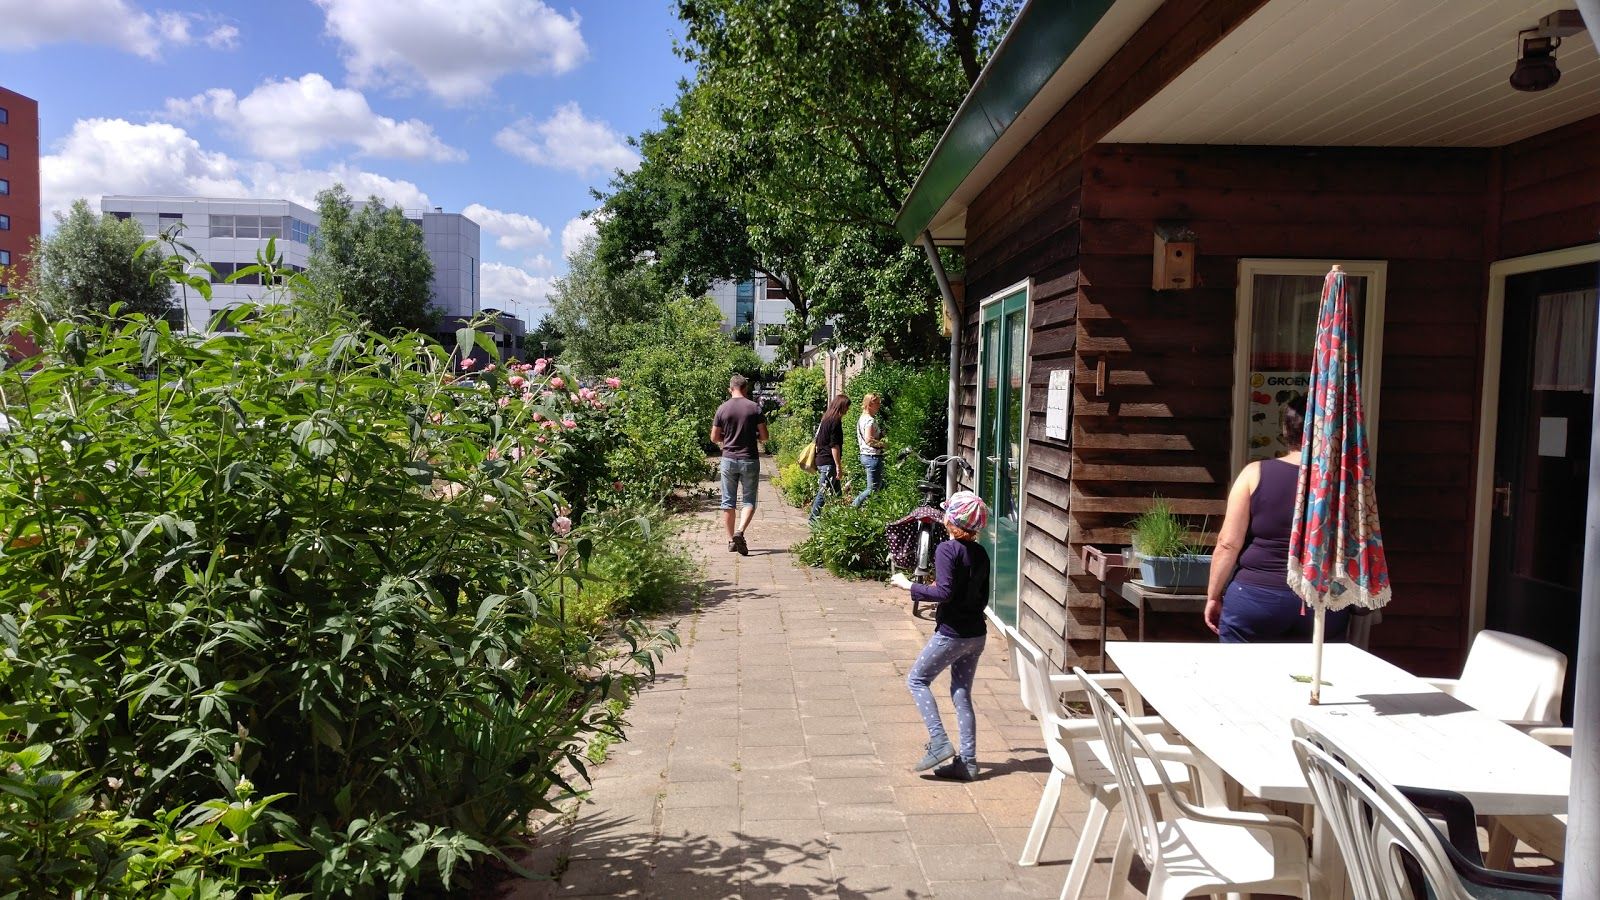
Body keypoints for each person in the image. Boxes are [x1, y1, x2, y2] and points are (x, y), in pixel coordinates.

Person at [1204, 395, 1351, 642]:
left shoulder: (1254, 473)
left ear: (1285, 430)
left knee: (1240, 677)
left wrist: (1212, 595)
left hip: (1256, 598)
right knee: (1311, 678)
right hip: (1321, 599)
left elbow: (1228, 543)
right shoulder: (1342, 484)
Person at [890, 491, 991, 781]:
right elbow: (978, 595)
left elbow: (944, 593)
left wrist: (907, 585)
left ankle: (938, 742)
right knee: (961, 694)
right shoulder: (980, 553)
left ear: (952, 520)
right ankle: (968, 763)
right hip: (976, 634)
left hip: (952, 634)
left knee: (917, 680)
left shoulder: (948, 550)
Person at [711, 374, 767, 555]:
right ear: (745, 389)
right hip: (750, 458)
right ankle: (740, 531)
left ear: (730, 389)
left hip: (728, 459)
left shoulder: (722, 409)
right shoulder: (754, 408)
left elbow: (714, 437)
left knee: (728, 501)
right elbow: (764, 436)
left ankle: (731, 541)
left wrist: (726, 438)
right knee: (749, 499)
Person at [808, 393, 850, 523]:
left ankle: (840, 519)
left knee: (837, 493)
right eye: (847, 407)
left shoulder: (825, 419)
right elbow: (834, 445)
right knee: (823, 492)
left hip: (821, 459)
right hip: (828, 462)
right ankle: (813, 520)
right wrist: (838, 465)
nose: (848, 410)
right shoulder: (835, 421)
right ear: (841, 406)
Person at [851, 393, 887, 507]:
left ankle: (870, 510)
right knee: (872, 489)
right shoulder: (869, 420)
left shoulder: (862, 418)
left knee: (875, 488)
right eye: (877, 403)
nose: (879, 406)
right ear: (870, 405)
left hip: (866, 455)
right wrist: (884, 445)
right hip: (872, 456)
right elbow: (869, 440)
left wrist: (880, 434)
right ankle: (853, 507)